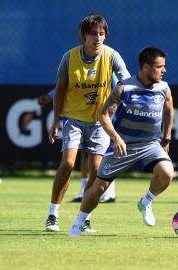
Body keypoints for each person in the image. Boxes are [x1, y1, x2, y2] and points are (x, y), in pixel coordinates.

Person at [68, 47, 174, 237]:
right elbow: (104, 116)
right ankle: (78, 223)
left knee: (167, 173)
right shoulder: (124, 88)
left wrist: (166, 138)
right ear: (146, 67)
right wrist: (116, 138)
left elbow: (168, 110)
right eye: (160, 67)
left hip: (150, 144)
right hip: (123, 145)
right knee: (99, 187)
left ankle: (146, 202)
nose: (164, 71)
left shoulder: (163, 88)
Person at [45, 14, 131, 232]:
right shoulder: (70, 57)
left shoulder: (111, 56)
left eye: (102, 33)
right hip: (73, 119)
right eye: (93, 33)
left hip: (99, 122)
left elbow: (127, 82)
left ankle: (84, 218)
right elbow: (60, 90)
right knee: (68, 164)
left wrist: (116, 102)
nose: (98, 37)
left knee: (96, 170)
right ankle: (52, 215)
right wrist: (55, 120)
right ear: (83, 35)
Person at [38, 88, 117, 203]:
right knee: (86, 155)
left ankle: (108, 192)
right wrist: (50, 95)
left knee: (102, 157)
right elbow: (69, 83)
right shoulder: (77, 72)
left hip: (103, 115)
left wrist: (114, 105)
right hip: (86, 113)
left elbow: (119, 84)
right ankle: (84, 190)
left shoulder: (108, 70)